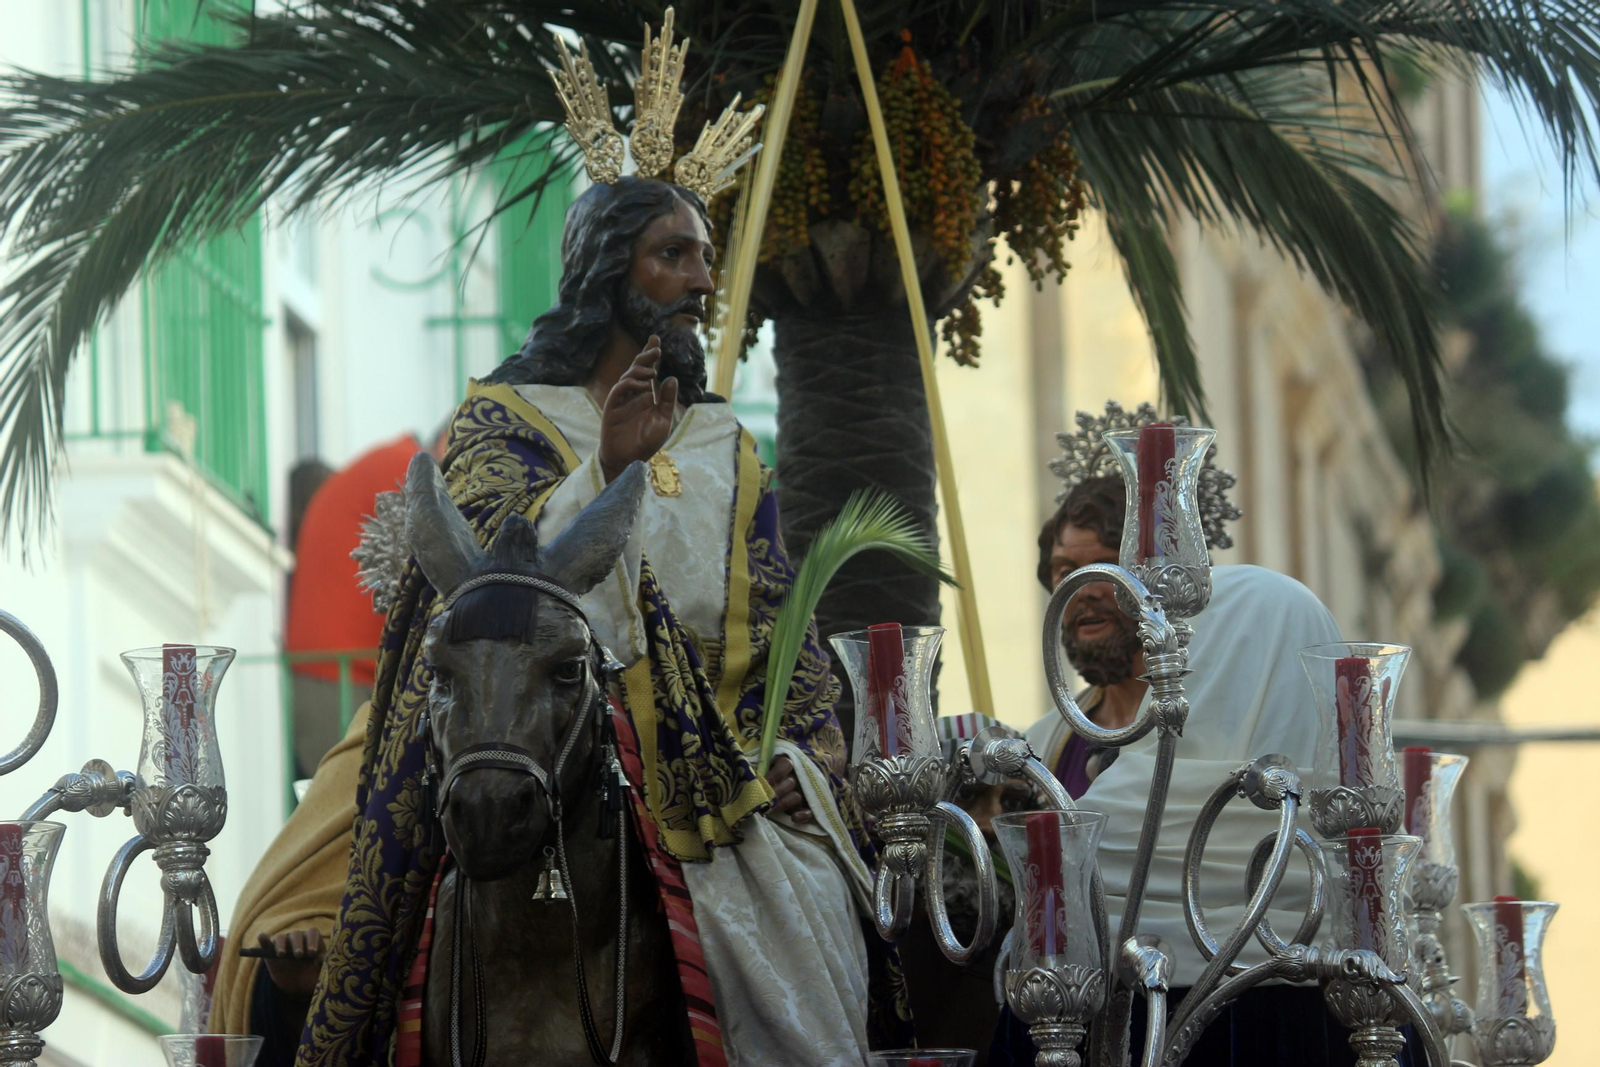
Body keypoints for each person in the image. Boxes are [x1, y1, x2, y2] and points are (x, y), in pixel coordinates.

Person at [288, 170, 908, 1067]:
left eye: (706, 257)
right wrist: (607, 468)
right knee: (397, 910)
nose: (701, 280)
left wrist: (805, 751)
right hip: (539, 733)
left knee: (813, 922)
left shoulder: (728, 446)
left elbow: (784, 629)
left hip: (720, 783)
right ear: (606, 270)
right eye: (672, 254)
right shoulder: (505, 420)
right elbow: (488, 582)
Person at [992, 470, 1410, 1066]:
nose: (1083, 590)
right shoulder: (1042, 748)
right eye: (1065, 572)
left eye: (1106, 566)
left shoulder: (1266, 765)